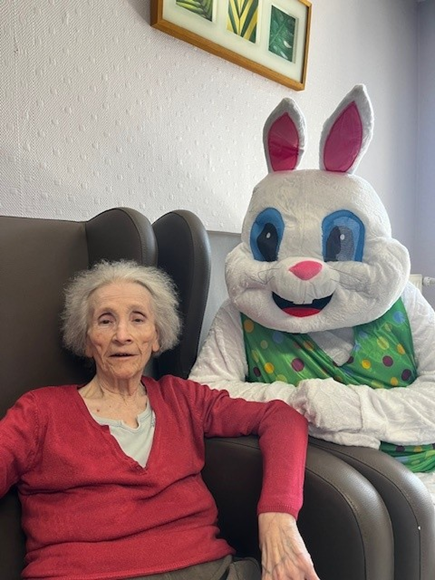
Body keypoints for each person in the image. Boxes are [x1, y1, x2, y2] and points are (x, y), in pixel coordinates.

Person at [0, 260, 319, 580]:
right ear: (86, 341)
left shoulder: (183, 399)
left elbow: (282, 418)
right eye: (106, 321)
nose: (122, 335)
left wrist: (278, 516)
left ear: (156, 336)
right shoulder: (40, 412)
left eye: (137, 319)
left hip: (211, 571)